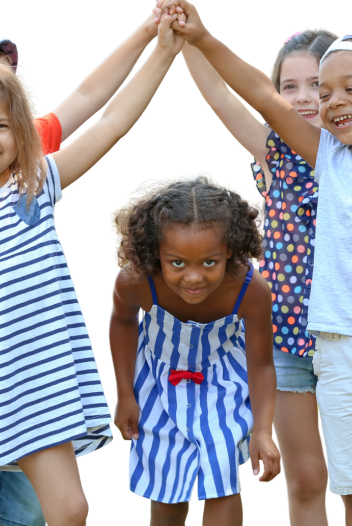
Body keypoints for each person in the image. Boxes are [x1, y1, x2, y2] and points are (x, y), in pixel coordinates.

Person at [0, 12, 183, 526]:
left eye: (1, 125)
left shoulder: (32, 186)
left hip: (34, 380)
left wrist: (162, 52)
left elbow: (107, 119)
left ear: (22, 129)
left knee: (70, 510)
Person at [155, 2, 352, 522]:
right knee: (307, 475)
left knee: (349, 474)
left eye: (318, 84)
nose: (306, 97)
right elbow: (225, 94)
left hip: (343, 334)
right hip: (288, 335)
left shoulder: (334, 154)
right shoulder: (277, 153)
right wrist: (192, 40)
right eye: (292, 87)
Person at [110, 177, 280, 526]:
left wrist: (263, 430)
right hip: (157, 386)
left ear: (230, 250)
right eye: (177, 263)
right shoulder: (136, 280)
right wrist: (125, 395)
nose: (193, 278)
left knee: (220, 480)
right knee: (168, 487)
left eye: (209, 263)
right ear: (155, 250)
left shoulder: (250, 290)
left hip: (224, 385)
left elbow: (261, 365)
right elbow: (123, 325)